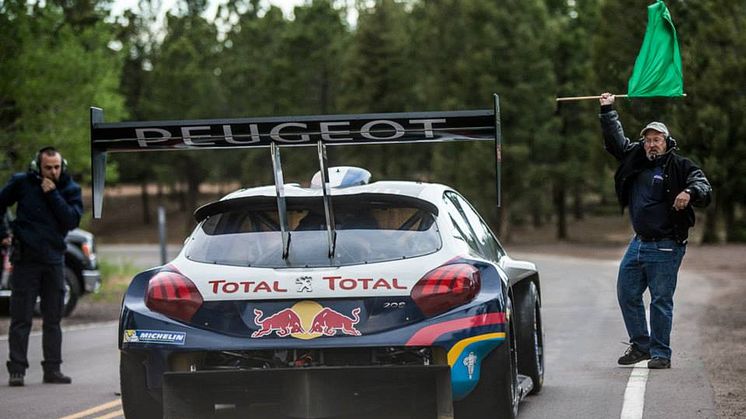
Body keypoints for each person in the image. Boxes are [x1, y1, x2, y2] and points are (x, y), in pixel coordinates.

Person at [598, 93, 711, 369]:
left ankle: (661, 353)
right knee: (627, 292)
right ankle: (641, 345)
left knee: (660, 299)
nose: (651, 144)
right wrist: (607, 110)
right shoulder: (635, 158)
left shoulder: (680, 165)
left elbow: (703, 185)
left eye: (656, 140)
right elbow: (616, 143)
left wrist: (689, 191)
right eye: (647, 140)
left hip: (667, 243)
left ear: (666, 143)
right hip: (638, 242)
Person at [0, 147, 82, 386]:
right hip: (25, 261)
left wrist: (53, 194)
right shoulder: (22, 183)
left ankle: (53, 369)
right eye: (48, 167)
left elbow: (71, 220)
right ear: (38, 166)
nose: (53, 171)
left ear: (62, 166)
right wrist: (3, 233)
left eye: (57, 167)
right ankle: (17, 370)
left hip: (54, 261)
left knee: (53, 318)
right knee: (21, 318)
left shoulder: (69, 189)